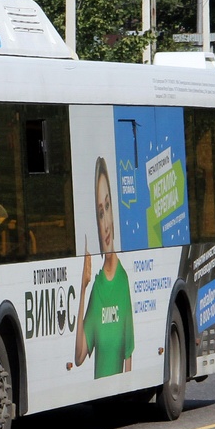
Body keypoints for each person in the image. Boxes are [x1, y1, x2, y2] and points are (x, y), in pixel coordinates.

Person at [74, 156, 134, 378]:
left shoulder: (123, 280)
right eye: (100, 212)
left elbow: (129, 356)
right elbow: (79, 356)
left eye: (107, 207)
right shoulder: (97, 286)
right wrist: (82, 289)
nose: (106, 222)